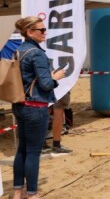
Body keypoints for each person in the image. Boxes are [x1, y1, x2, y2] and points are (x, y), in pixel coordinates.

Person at [13, 16, 66, 199]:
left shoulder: (19, 50)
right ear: (29, 32)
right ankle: (33, 194)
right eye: (41, 30)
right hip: (36, 107)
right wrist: (55, 77)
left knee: (22, 149)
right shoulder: (37, 53)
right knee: (33, 152)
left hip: (20, 105)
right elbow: (45, 84)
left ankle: (17, 192)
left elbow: (28, 78)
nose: (45, 33)